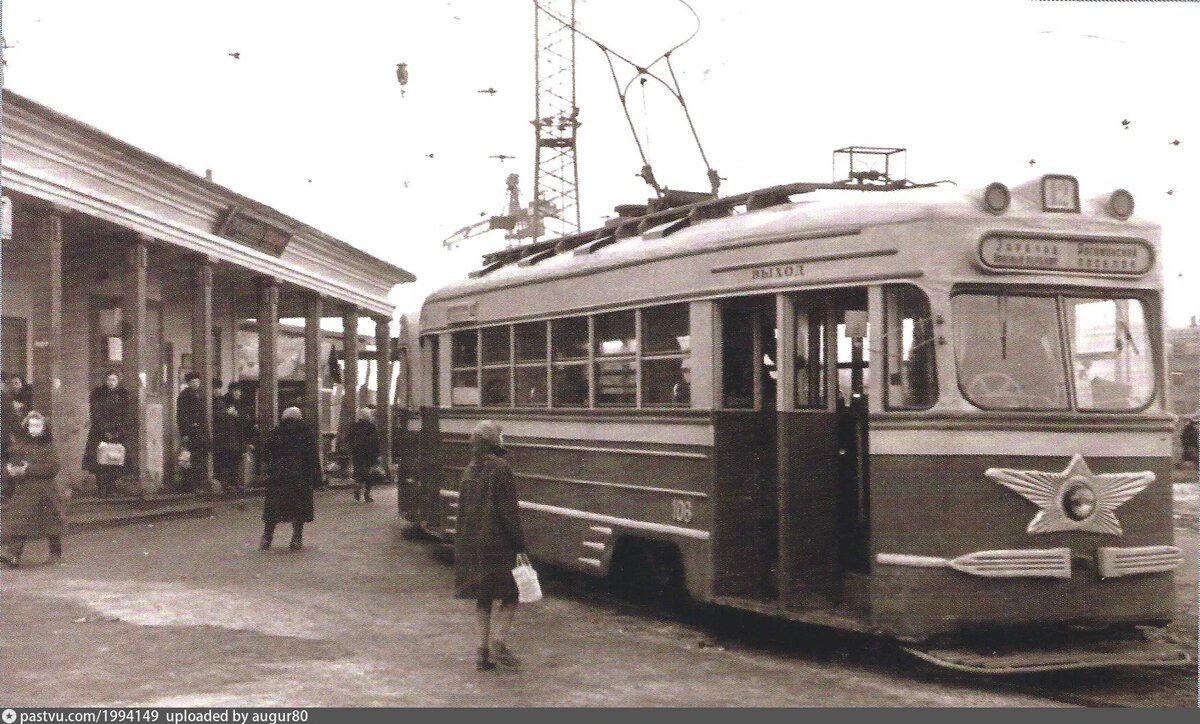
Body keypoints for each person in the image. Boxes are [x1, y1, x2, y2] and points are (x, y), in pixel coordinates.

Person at [454, 420, 528, 671]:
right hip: (497, 543)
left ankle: (482, 652)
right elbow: (509, 512)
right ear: (493, 441)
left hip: (472, 542)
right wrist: (520, 544)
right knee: (513, 594)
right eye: (501, 436)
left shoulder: (469, 470)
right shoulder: (501, 469)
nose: (503, 440)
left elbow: (462, 511)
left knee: (483, 598)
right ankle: (499, 642)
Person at [1, 411, 66, 568]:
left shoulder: (48, 446)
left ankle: (55, 553)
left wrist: (28, 469)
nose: (33, 429)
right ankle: (14, 555)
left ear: (44, 428)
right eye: (31, 426)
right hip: (25, 490)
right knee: (19, 522)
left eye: (37, 426)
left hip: (46, 491)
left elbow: (53, 467)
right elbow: (13, 464)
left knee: (52, 524)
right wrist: (10, 471)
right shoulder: (20, 446)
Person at [260, 407, 320, 551]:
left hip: (278, 476)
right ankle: (296, 539)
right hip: (300, 476)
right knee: (298, 510)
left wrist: (268, 469)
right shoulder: (306, 433)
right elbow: (313, 457)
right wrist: (317, 479)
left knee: (273, 510)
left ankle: (266, 538)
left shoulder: (276, 431)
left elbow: (265, 452)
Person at [83, 370, 132, 498]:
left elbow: (125, 415)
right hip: (100, 432)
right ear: (105, 380)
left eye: (114, 380)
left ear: (118, 381)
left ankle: (111, 488)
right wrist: (105, 431)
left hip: (118, 433)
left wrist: (117, 432)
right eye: (109, 379)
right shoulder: (98, 394)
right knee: (101, 461)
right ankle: (102, 489)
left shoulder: (123, 395)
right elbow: (95, 413)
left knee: (116, 459)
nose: (111, 382)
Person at [176, 372, 210, 492]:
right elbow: (181, 416)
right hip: (191, 432)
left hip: (201, 431)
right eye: (193, 382)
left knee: (199, 459)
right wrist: (184, 433)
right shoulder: (184, 396)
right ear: (188, 383)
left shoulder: (200, 395)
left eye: (197, 381)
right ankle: (189, 485)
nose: (196, 384)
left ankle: (197, 484)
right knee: (189, 459)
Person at [347, 407, 381, 502]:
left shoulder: (353, 426)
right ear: (368, 416)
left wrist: (352, 449)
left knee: (358, 471)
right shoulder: (371, 426)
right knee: (369, 474)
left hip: (357, 454)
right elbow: (375, 441)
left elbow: (349, 439)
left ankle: (357, 486)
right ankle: (367, 493)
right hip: (369, 455)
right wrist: (377, 454)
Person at [212, 403, 245, 492]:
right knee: (226, 465)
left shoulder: (231, 416)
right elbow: (218, 420)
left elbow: (239, 429)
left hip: (232, 444)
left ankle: (233, 482)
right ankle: (226, 484)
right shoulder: (221, 413)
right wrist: (228, 414)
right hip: (224, 444)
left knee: (233, 464)